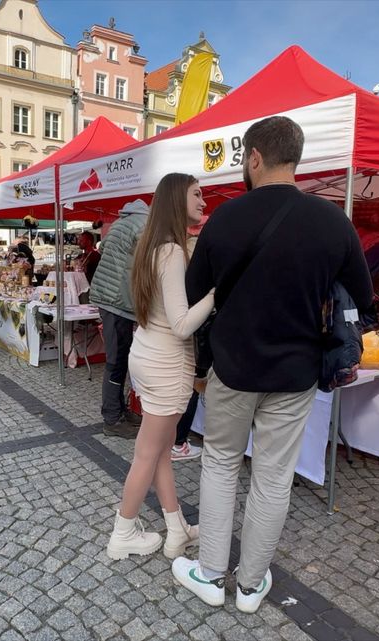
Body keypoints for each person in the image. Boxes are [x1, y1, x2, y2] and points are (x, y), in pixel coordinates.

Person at [177, 116, 373, 613]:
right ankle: (249, 586)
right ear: (296, 157)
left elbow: (193, 295)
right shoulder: (333, 221)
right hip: (296, 371)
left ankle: (211, 574)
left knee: (220, 465)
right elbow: (364, 302)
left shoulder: (224, 218)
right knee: (273, 476)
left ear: (255, 157)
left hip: (234, 368)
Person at [105, 174, 213, 562]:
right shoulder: (171, 251)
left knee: (161, 452)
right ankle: (123, 532)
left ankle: (176, 529)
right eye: (196, 194)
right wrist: (217, 292)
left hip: (149, 356)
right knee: (148, 455)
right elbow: (183, 323)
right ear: (175, 200)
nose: (203, 201)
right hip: (167, 363)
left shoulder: (153, 248)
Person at [89, 199, 150, 438]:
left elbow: (103, 249)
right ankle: (112, 419)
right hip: (118, 300)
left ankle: (120, 411)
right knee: (116, 361)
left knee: (120, 359)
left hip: (109, 297)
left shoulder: (118, 223)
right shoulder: (144, 225)